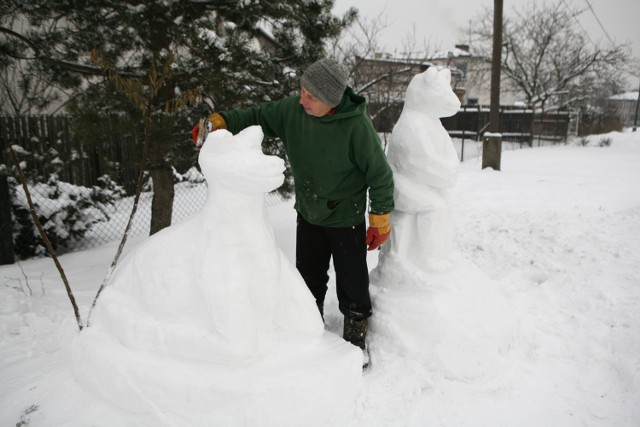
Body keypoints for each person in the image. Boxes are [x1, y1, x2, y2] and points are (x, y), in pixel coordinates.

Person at [191, 58, 394, 358]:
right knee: (307, 280)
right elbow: (256, 115)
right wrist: (223, 121)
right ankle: (308, 332)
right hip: (309, 214)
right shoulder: (293, 112)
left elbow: (379, 174)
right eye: (302, 91)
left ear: (331, 100)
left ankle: (355, 337)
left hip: (346, 218)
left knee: (352, 281)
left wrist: (379, 218)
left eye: (310, 96)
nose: (302, 100)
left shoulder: (356, 127)